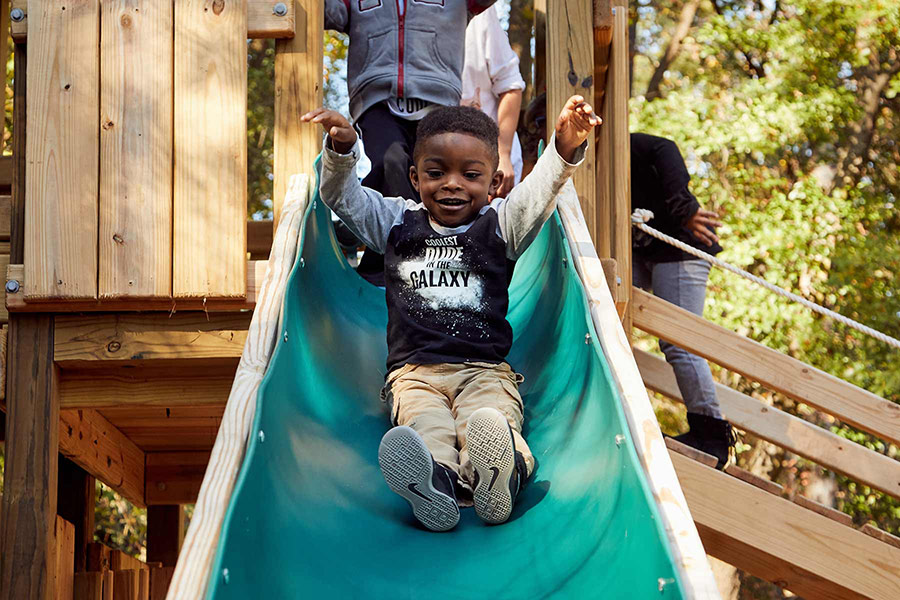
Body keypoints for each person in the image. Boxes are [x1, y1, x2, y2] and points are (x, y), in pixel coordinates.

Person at [302, 95, 600, 531]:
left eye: (471, 175)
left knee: (489, 418)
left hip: (483, 370)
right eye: (436, 172)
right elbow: (342, 198)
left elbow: (541, 192)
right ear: (414, 177)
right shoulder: (396, 222)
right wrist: (343, 150)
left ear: (495, 181)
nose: (452, 184)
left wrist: (564, 145)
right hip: (414, 374)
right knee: (426, 428)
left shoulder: (501, 225)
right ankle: (435, 483)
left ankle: (500, 469)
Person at [324, 0, 497, 286]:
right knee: (391, 161)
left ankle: (359, 235)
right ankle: (395, 259)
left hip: (438, 92)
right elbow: (329, 13)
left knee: (432, 178)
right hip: (376, 93)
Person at [631, 132, 735, 469]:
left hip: (679, 253)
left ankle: (713, 436)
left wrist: (685, 208)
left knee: (679, 345)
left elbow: (666, 148)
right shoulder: (590, 163)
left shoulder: (631, 145)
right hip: (643, 253)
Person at [461, 5, 525, 196]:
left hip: (491, 171)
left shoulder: (479, 14)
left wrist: (502, 154)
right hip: (446, 175)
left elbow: (511, 85)